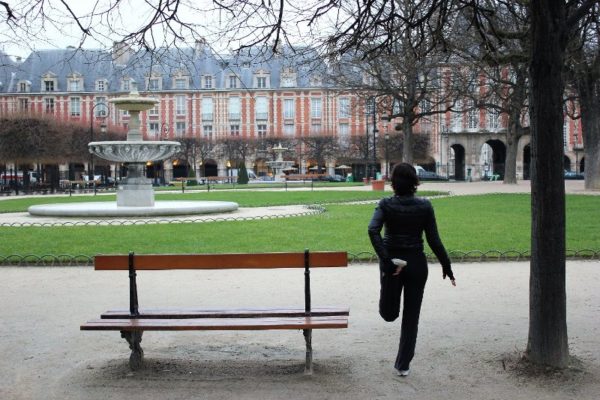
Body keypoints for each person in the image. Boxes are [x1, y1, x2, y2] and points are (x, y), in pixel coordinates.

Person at [368, 163, 455, 377]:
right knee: (402, 315)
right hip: (409, 262)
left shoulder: (388, 204)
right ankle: (403, 364)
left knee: (398, 314)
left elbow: (373, 229)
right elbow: (433, 239)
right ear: (415, 183)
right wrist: (446, 264)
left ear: (393, 183)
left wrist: (387, 261)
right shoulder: (421, 206)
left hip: (400, 261)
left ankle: (403, 364)